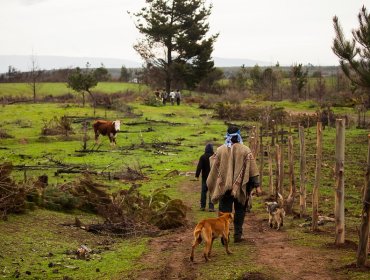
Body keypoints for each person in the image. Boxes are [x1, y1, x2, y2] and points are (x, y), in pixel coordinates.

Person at [206, 126, 261, 243]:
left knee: (224, 213)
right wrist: (257, 186)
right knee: (240, 210)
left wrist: (223, 177)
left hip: (224, 188)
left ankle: (223, 237)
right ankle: (238, 235)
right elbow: (252, 170)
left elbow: (213, 163)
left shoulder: (220, 150)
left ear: (227, 135)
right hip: (241, 187)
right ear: (239, 135)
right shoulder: (245, 150)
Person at [195, 143, 215, 212]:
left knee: (203, 192)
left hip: (205, 178)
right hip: (212, 178)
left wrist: (197, 175)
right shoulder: (214, 156)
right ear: (212, 149)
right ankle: (211, 207)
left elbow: (199, 167)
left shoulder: (202, 157)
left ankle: (202, 206)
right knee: (211, 192)